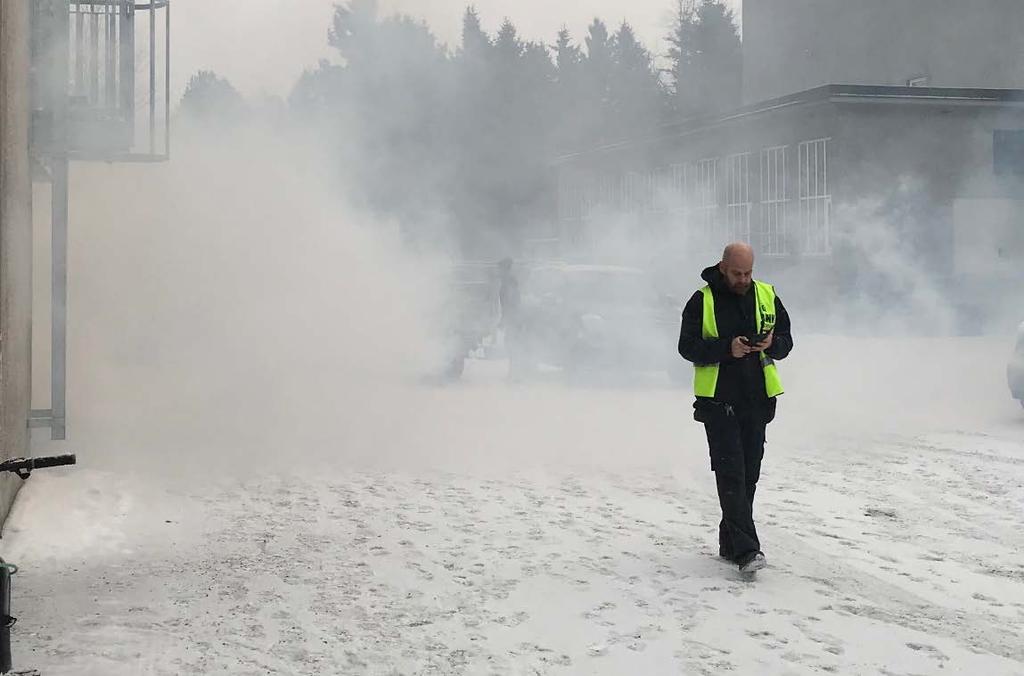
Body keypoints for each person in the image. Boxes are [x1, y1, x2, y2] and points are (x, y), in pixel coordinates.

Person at [677, 243, 793, 574]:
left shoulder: (768, 294)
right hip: (718, 401)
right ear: (723, 268)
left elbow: (786, 342)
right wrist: (727, 349)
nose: (743, 280)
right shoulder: (702, 300)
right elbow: (687, 348)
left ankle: (730, 543)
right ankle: (747, 551)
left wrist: (772, 343)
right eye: (737, 274)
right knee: (731, 474)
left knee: (749, 476)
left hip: (757, 400)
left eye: (748, 273)